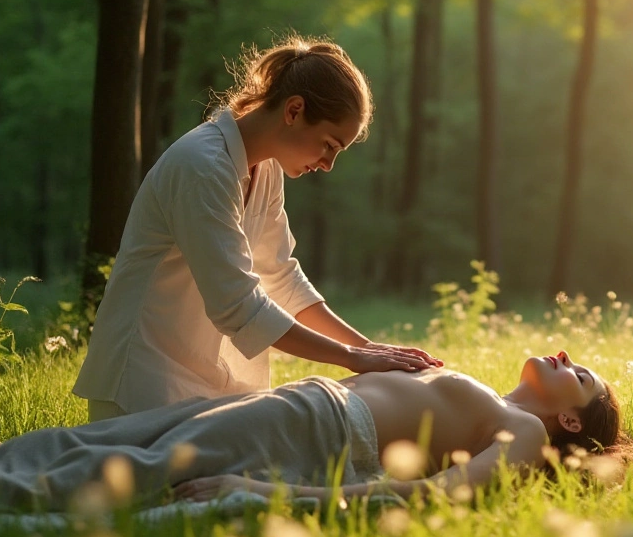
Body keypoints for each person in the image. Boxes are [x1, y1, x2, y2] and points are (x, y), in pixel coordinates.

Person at [73, 35, 439, 423]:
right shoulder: (203, 166)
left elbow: (280, 277)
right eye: (329, 145)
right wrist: (352, 358)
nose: (328, 164)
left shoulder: (264, 169)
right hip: (143, 388)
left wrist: (366, 348)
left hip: (208, 386)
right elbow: (238, 306)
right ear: (294, 110)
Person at [0, 352, 632, 513]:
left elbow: (423, 497)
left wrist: (262, 489)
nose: (568, 357)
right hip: (304, 403)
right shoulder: (487, 396)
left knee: (129, 467)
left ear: (570, 418)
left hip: (322, 433)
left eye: (584, 375)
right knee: (94, 441)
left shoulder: (524, 438)